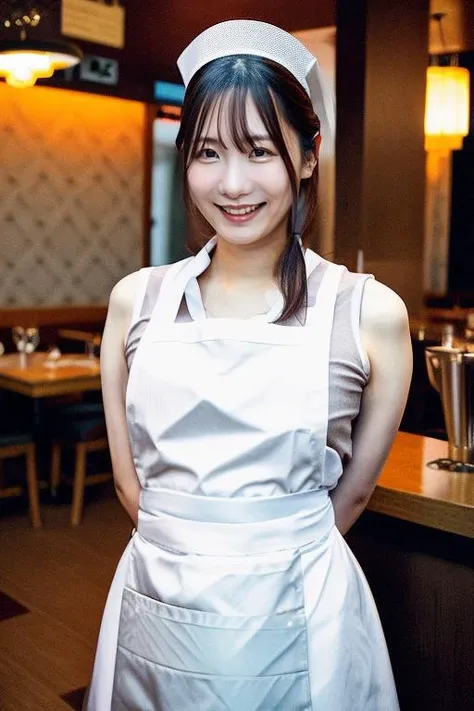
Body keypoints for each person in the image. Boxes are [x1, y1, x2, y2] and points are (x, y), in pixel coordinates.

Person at [83, 19, 412, 711]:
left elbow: (348, 499)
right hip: (156, 608)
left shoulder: (367, 313)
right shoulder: (135, 301)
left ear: (309, 154)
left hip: (303, 611)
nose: (232, 184)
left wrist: (266, 552)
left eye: (259, 150)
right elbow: (128, 486)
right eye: (208, 152)